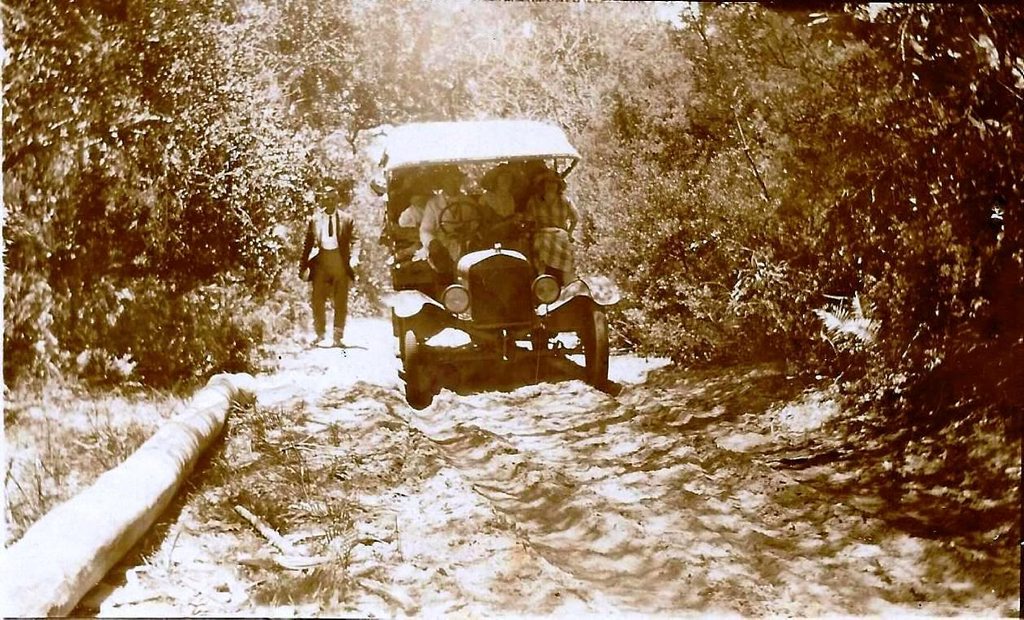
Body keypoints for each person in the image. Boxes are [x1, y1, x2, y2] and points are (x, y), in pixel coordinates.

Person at [300, 178, 358, 348]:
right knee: (317, 299)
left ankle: (338, 336)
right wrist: (303, 267)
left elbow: (356, 240)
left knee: (340, 299)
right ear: (322, 200)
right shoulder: (314, 219)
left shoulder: (347, 219)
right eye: (326, 199)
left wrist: (354, 257)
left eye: (332, 198)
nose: (329, 202)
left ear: (337, 199)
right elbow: (307, 244)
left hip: (340, 261)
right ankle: (320, 334)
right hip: (320, 262)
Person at [418, 167, 481, 284]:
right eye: (449, 180)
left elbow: (476, 221)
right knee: (442, 272)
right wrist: (432, 242)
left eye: (456, 180)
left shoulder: (468, 201)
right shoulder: (433, 204)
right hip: (443, 246)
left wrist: (469, 230)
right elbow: (425, 230)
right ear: (443, 182)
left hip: (465, 243)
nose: (453, 183)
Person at [525, 169, 579, 285]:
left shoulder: (565, 201)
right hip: (542, 233)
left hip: (560, 233)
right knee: (543, 243)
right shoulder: (534, 201)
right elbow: (529, 220)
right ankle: (542, 276)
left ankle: (567, 281)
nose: (551, 186)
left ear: (558, 185)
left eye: (553, 183)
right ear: (542, 185)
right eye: (547, 183)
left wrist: (569, 233)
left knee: (569, 248)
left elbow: (575, 218)